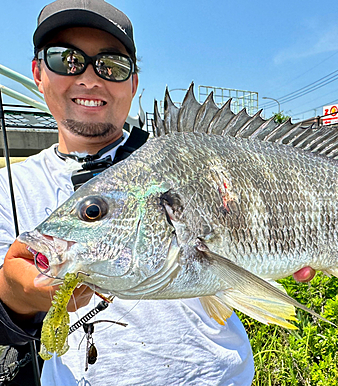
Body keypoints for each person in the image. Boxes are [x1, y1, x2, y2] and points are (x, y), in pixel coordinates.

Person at [0, 1, 316, 385]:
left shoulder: (178, 158)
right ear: (37, 72)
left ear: (133, 83)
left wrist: (320, 237)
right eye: (66, 59)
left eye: (111, 65)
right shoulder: (9, 189)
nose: (88, 78)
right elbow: (7, 327)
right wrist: (17, 295)